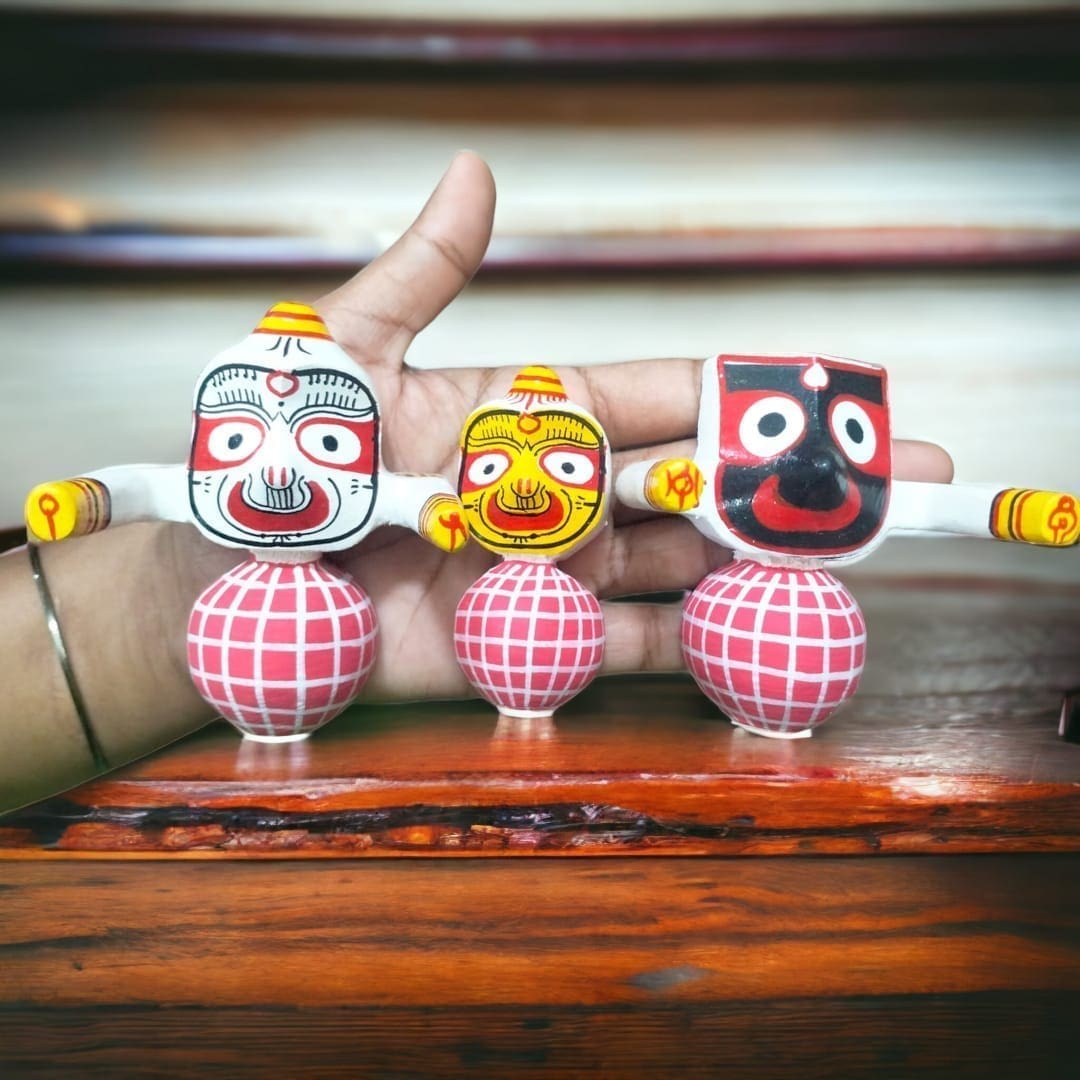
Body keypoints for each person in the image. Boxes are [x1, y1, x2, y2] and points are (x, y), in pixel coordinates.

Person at [0, 153, 953, 813]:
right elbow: (161, 487)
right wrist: (94, 507)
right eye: (245, 434)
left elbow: (412, 496)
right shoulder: (250, 504)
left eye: (322, 438)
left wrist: (438, 505)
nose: (280, 464)